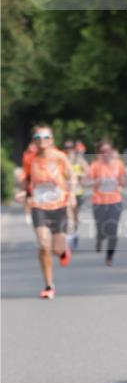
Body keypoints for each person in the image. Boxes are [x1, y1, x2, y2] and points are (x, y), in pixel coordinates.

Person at [17, 126, 74, 299]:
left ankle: (63, 251)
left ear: (51, 140)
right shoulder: (30, 159)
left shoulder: (60, 157)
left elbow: (71, 176)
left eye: (45, 137)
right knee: (43, 245)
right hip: (39, 206)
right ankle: (49, 285)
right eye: (38, 137)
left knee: (56, 249)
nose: (42, 140)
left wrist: (71, 195)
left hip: (59, 205)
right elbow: (26, 179)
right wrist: (23, 192)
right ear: (34, 140)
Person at [88, 140, 126, 265]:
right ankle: (99, 238)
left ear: (112, 151)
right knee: (100, 227)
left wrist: (121, 183)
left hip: (115, 200)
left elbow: (123, 180)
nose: (105, 153)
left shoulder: (118, 164)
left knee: (112, 229)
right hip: (98, 201)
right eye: (102, 151)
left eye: (108, 150)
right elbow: (85, 182)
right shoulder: (95, 165)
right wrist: (96, 182)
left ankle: (109, 256)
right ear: (98, 153)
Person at [64, 139, 89, 248]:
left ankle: (75, 233)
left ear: (74, 148)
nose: (68, 150)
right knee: (68, 215)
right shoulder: (63, 159)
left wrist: (79, 176)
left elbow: (87, 172)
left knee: (75, 216)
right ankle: (68, 236)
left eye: (70, 147)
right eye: (66, 147)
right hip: (66, 192)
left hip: (78, 192)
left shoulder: (79, 160)